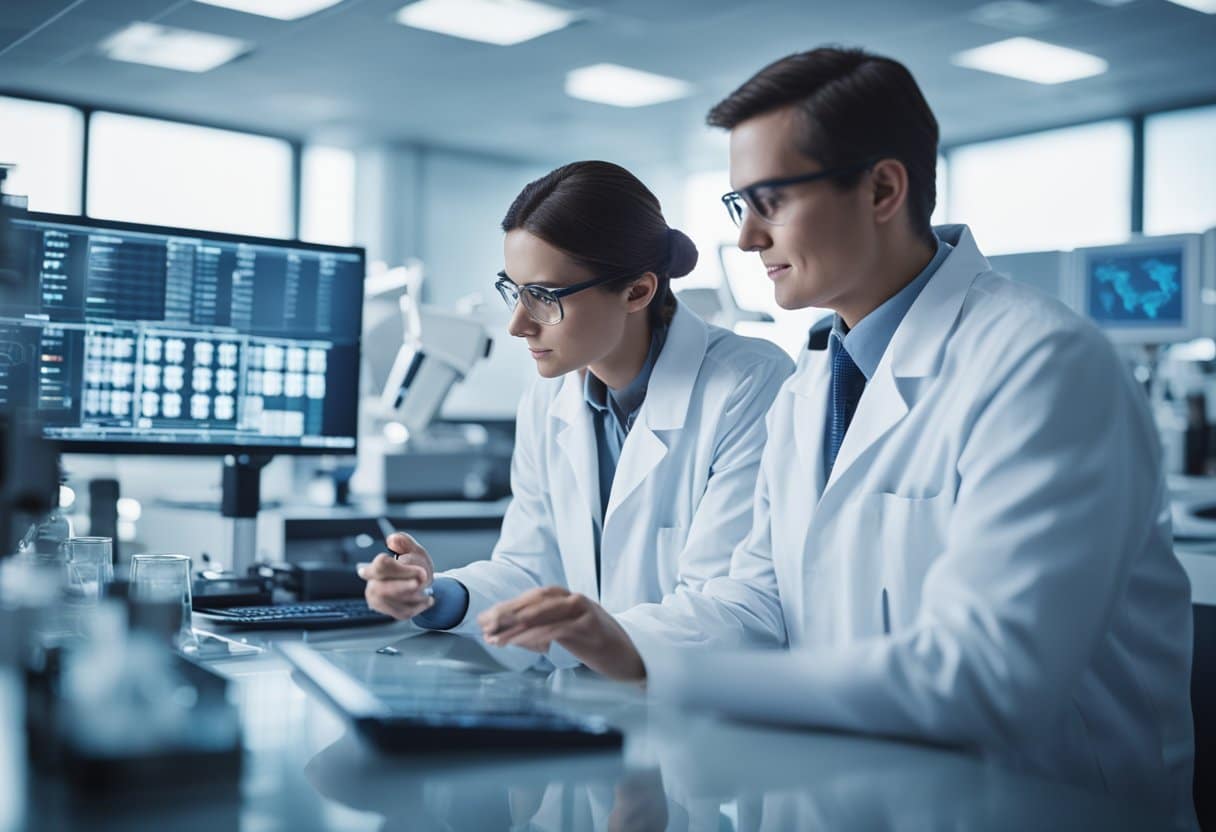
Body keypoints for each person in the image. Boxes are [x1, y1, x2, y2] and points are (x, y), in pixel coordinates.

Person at [476, 48, 1196, 823]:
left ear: (883, 189)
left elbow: (987, 677)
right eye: (739, 204)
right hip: (854, 797)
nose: (748, 238)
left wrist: (668, 673)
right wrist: (624, 643)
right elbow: (760, 602)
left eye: (771, 200)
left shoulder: (1041, 364)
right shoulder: (813, 383)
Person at [360, 160, 793, 668]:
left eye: (543, 297)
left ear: (637, 291)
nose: (517, 325)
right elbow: (529, 569)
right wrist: (435, 595)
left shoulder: (747, 384)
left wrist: (603, 638)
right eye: (514, 290)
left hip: (701, 694)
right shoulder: (549, 398)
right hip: (590, 693)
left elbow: (734, 608)